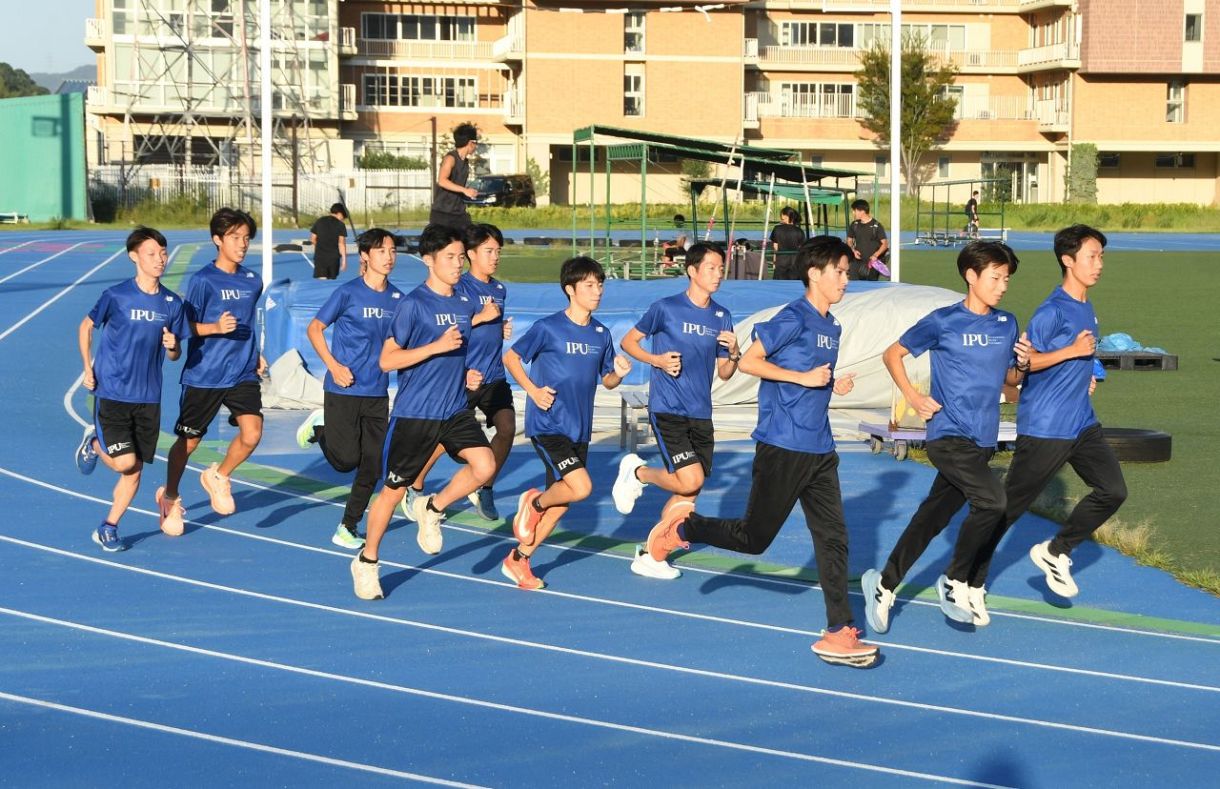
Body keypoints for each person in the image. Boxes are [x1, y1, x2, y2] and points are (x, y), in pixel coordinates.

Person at [643, 236, 879, 668]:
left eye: (848, 271)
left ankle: (838, 631)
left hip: (820, 447)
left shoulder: (833, 326)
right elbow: (750, 362)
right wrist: (804, 378)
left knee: (834, 539)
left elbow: (810, 374)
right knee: (754, 539)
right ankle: (684, 529)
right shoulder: (794, 317)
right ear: (814, 273)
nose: (846, 279)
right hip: (782, 446)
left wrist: (828, 382)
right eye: (839, 271)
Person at [861, 241, 1025, 633]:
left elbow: (1012, 382)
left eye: (1006, 279)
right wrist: (915, 397)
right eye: (995, 277)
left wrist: (1024, 364)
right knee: (993, 501)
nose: (1002, 285)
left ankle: (883, 584)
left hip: (982, 440)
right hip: (947, 436)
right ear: (971, 276)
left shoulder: (1007, 325)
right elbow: (892, 355)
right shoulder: (943, 321)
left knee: (931, 518)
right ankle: (954, 581)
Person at [971, 225, 1127, 601]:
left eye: (1101, 256)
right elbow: (1026, 362)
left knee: (1113, 490)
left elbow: (1076, 356)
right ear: (1067, 260)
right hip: (1046, 427)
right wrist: (1072, 353)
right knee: (1007, 509)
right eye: (1092, 256)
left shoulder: (1086, 307)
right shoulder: (1051, 311)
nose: (1099, 264)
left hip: (1081, 423)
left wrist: (1085, 372)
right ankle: (967, 579)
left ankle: (1056, 551)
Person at [349, 224, 496, 600]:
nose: (458, 264)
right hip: (415, 415)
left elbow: (454, 354)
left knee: (485, 466)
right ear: (429, 261)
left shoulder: (465, 304)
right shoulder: (412, 305)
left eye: (461, 257)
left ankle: (433, 506)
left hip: (453, 409)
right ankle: (367, 560)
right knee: (392, 493)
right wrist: (435, 346)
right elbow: (386, 360)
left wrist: (467, 372)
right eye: (450, 257)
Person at [502, 256, 632, 590]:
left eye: (600, 284)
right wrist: (532, 390)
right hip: (548, 424)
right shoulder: (548, 328)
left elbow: (608, 380)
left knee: (562, 502)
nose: (597, 291)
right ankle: (532, 503)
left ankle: (519, 559)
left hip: (579, 428)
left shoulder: (602, 334)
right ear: (570, 290)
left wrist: (618, 372)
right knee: (582, 487)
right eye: (589, 285)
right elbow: (511, 357)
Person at [612, 242, 740, 579]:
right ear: (692, 271)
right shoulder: (665, 308)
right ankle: (637, 473)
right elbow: (629, 342)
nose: (718, 273)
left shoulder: (722, 316)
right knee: (691, 477)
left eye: (721, 267)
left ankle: (653, 554)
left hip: (701, 410)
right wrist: (656, 360)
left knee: (690, 492)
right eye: (711, 267)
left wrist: (736, 352)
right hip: (668, 406)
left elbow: (725, 373)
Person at [75, 227, 188, 552]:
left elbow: (174, 353)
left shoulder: (172, 303)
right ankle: (95, 443)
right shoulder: (117, 296)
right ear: (134, 256)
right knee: (126, 463)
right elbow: (86, 326)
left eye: (163, 253)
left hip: (148, 398)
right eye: (152, 254)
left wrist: (172, 346)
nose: (160, 259)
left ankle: (108, 527)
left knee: (135, 470)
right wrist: (87, 368)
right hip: (112, 392)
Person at [156, 208, 267, 536]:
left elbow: (248, 322)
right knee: (188, 443)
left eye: (246, 238)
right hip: (205, 373)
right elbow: (183, 326)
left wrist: (257, 355)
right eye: (235, 237)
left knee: (252, 433)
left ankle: (219, 474)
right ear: (217, 240)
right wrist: (215, 327)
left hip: (242, 371)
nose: (242, 244)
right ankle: (171, 497)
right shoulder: (203, 280)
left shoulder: (252, 280)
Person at [295, 228, 404, 550]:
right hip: (343, 388)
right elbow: (315, 329)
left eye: (393, 251)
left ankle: (348, 526)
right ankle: (320, 427)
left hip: (376, 392)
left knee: (373, 464)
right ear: (366, 256)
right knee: (344, 461)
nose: (389, 257)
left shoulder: (399, 299)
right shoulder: (348, 293)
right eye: (382, 251)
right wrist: (333, 365)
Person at [400, 223, 514, 522]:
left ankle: (484, 486)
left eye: (498, 251)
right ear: (472, 254)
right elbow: (455, 327)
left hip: (494, 374)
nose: (495, 257)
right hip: (465, 374)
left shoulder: (500, 289)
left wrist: (498, 328)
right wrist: (482, 318)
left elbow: (487, 327)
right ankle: (416, 482)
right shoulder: (460, 288)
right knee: (442, 439)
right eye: (488, 251)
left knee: (507, 429)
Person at [429, 123, 479, 231]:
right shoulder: (450, 158)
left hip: (458, 212)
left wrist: (468, 192)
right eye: (476, 143)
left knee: (470, 239)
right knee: (440, 245)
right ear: (470, 143)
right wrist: (464, 190)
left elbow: (458, 187)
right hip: (442, 212)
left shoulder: (465, 161)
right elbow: (442, 181)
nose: (476, 146)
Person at [846, 199, 889, 281]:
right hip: (856, 262)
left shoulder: (877, 226)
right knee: (853, 284)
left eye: (854, 211)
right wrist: (853, 250)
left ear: (862, 211)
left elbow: (885, 244)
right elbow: (849, 240)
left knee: (871, 287)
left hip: (872, 263)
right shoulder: (854, 225)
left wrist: (875, 255)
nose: (853, 213)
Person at [309, 203, 349, 280]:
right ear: (340, 213)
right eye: (343, 217)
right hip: (333, 258)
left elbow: (312, 239)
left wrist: (320, 247)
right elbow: (341, 243)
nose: (343, 219)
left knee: (322, 282)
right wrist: (344, 260)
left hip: (320, 257)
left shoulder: (319, 221)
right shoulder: (340, 225)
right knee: (331, 282)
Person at [768, 206, 805, 280]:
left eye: (782, 214)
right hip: (795, 263)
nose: (780, 217)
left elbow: (775, 247)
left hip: (781, 261)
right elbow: (801, 248)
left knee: (779, 285)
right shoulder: (799, 231)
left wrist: (774, 261)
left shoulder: (777, 229)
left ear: (786, 216)